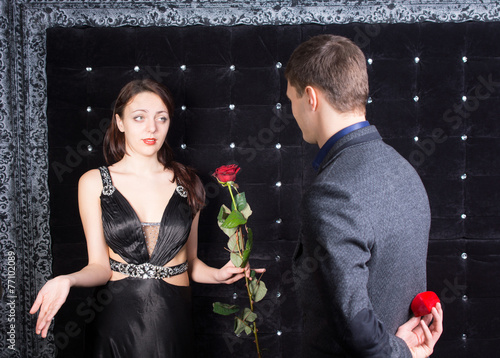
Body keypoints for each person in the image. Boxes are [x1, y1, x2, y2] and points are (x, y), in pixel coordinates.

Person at [30, 79, 260, 357]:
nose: (152, 128)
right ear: (120, 122)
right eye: (139, 117)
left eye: (161, 118)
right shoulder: (93, 182)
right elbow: (100, 267)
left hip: (172, 320)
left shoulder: (189, 183)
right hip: (116, 319)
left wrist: (219, 274)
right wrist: (67, 280)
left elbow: (191, 263)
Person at [285, 35, 443, 357]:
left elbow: (356, 327)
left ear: (311, 98)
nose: (292, 111)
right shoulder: (404, 170)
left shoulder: (331, 195)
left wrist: (404, 354)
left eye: (291, 99)